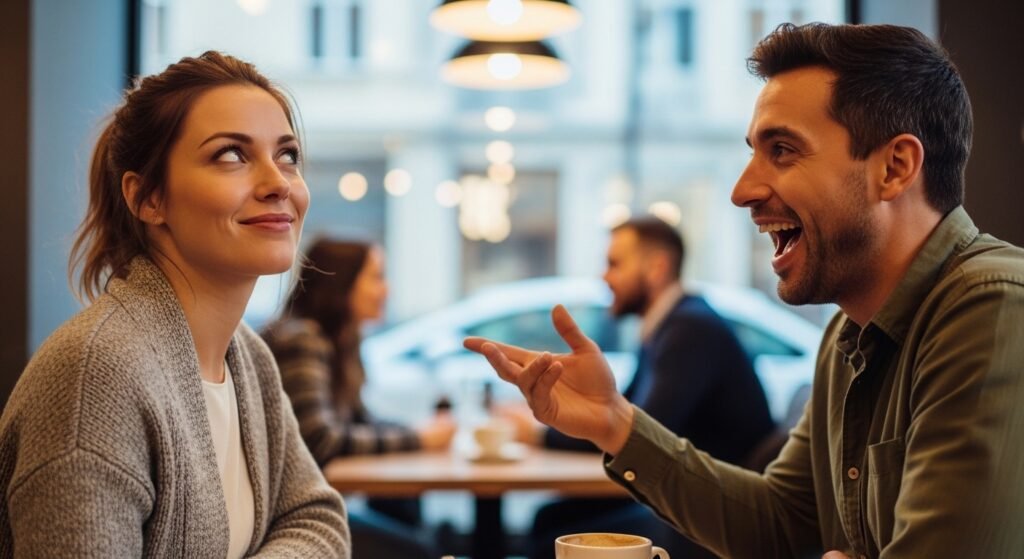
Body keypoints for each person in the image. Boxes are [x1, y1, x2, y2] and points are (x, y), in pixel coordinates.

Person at [466, 22, 1024, 559]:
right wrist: (614, 421)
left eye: (782, 150)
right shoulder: (847, 335)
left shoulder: (991, 307)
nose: (742, 190)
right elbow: (777, 524)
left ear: (895, 167)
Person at [0, 52, 350, 557]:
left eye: (287, 155)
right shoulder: (97, 376)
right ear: (147, 199)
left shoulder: (247, 357)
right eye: (231, 154)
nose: (279, 183)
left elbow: (316, 519)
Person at [502, 216, 774, 559]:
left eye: (615, 264)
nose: (604, 276)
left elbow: (638, 430)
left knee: (551, 536)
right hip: (684, 498)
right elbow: (622, 411)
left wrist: (535, 433)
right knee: (550, 520)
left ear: (657, 267)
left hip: (711, 516)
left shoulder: (689, 330)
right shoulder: (668, 325)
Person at [262, 237, 457, 559]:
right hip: (286, 515)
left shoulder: (338, 342)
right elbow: (321, 440)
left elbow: (360, 421)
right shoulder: (303, 340)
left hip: (311, 500)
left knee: (403, 506)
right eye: (377, 277)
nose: (386, 290)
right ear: (343, 283)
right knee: (422, 550)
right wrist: (419, 439)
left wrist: (420, 432)